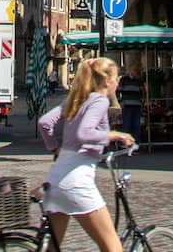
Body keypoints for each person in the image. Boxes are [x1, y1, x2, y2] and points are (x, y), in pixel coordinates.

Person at [36, 57, 136, 252]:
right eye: (116, 78)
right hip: (76, 181)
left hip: (55, 179)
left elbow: (45, 122)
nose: (117, 82)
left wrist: (55, 149)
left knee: (51, 249)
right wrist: (114, 134)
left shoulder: (76, 98)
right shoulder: (99, 100)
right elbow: (84, 132)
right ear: (107, 81)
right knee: (112, 247)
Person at [116, 70, 143, 135]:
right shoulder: (124, 79)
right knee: (127, 125)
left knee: (136, 126)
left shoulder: (139, 80)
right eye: (134, 68)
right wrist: (120, 102)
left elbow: (142, 91)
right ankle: (126, 143)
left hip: (137, 105)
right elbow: (118, 91)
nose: (136, 70)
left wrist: (141, 101)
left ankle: (136, 143)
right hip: (126, 105)